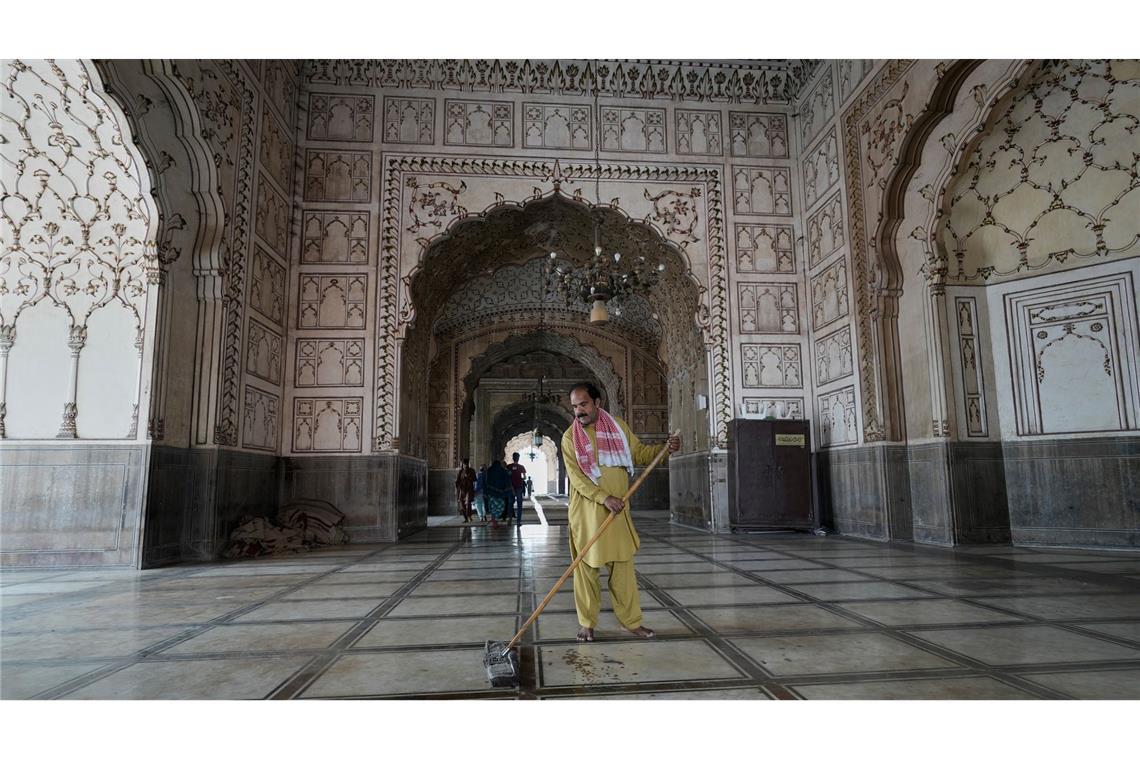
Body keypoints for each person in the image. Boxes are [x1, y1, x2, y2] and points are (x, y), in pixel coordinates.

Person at [562, 381, 679, 642]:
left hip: (617, 513)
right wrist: (604, 498)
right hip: (587, 515)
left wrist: (663, 449)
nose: (579, 411)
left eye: (583, 404)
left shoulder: (618, 428)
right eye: (574, 406)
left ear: (597, 403)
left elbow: (637, 453)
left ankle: (631, 622)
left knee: (623, 569)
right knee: (587, 571)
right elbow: (578, 479)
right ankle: (587, 624)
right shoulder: (570, 437)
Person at [483, 460, 512, 528]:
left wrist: (485, 492)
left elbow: (485, 482)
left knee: (492, 507)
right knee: (501, 507)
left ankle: (494, 520)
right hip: (500, 493)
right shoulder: (502, 471)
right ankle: (494, 520)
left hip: (491, 493)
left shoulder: (489, 470)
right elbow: (507, 480)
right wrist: (508, 490)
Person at [506, 452, 527, 527]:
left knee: (510, 504)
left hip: (511, 487)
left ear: (512, 458)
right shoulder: (521, 467)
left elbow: (507, 477)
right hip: (519, 487)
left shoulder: (508, 466)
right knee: (519, 504)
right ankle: (518, 521)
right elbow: (525, 477)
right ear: (518, 458)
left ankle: (510, 520)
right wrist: (520, 479)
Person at [454, 458, 476, 523]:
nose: (464, 465)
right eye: (463, 464)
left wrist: (468, 477)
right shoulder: (461, 471)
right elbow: (458, 480)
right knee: (462, 504)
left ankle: (469, 516)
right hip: (462, 490)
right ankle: (466, 518)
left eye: (465, 464)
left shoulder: (471, 470)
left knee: (468, 503)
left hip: (469, 490)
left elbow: (474, 479)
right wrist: (456, 486)